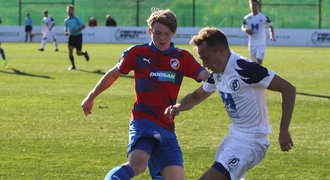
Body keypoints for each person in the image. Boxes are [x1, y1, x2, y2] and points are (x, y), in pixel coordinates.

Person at [81, 8, 209, 180]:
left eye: (166, 34)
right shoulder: (137, 53)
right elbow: (113, 74)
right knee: (138, 164)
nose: (162, 38)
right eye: (157, 33)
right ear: (150, 31)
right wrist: (91, 97)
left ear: (174, 33)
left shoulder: (182, 57)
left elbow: (207, 78)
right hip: (143, 121)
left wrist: (225, 77)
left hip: (167, 127)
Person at [164, 27, 296, 180]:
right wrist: (178, 107)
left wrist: (284, 130)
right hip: (234, 137)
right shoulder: (218, 74)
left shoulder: (244, 68)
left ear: (221, 51)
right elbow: (196, 96)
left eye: (206, 58)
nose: (204, 64)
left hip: (251, 142)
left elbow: (288, 89)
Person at [241, 0, 275, 64]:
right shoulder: (247, 18)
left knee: (259, 62)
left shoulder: (263, 17)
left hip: (261, 43)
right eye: (252, 5)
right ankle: (256, 73)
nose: (253, 6)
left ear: (258, 6)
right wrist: (245, 30)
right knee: (254, 63)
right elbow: (243, 27)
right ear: (250, 6)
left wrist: (271, 35)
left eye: (255, 5)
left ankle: (259, 73)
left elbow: (270, 26)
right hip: (252, 43)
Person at [64, 4, 89, 70]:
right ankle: (73, 66)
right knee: (70, 51)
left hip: (78, 36)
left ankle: (84, 53)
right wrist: (66, 32)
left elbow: (83, 26)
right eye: (68, 10)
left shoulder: (76, 19)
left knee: (78, 53)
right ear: (67, 11)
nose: (69, 11)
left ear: (73, 11)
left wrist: (77, 30)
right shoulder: (66, 20)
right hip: (71, 36)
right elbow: (65, 28)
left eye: (71, 10)